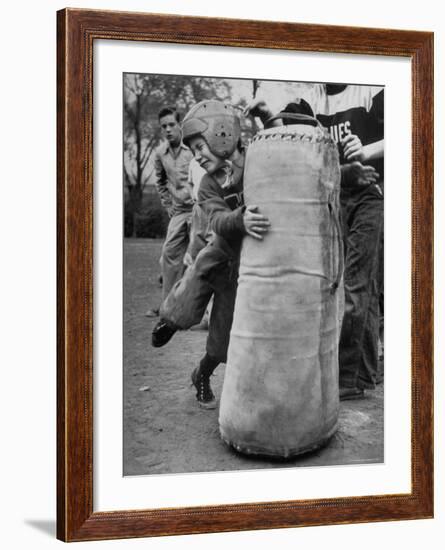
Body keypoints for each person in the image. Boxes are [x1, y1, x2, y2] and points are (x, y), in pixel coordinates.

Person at [247, 83, 384, 400]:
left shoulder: (370, 90)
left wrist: (367, 150)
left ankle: (347, 379)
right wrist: (268, 115)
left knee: (356, 284)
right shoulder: (311, 99)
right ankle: (363, 373)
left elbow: (415, 129)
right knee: (355, 285)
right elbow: (293, 141)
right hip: (334, 197)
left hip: (371, 195)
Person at [152, 100, 270, 409]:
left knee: (221, 343)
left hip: (242, 269)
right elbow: (218, 220)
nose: (198, 155)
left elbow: (280, 155)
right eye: (192, 149)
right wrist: (239, 219)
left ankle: (201, 374)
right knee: (191, 288)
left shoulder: (254, 162)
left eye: (200, 146)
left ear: (222, 134)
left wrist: (267, 118)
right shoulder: (206, 184)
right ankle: (170, 320)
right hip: (219, 252)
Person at [145, 106, 194, 317]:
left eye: (171, 124)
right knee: (168, 255)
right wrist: (168, 206)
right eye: (163, 126)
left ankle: (198, 310)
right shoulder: (160, 153)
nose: (168, 129)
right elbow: (160, 182)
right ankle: (168, 308)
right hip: (179, 212)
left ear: (180, 125)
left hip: (199, 209)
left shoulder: (193, 148)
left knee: (197, 257)